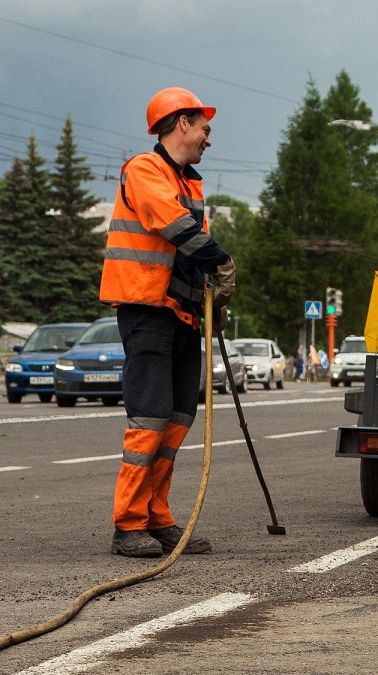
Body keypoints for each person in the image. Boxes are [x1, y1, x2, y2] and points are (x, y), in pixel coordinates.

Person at [100, 87, 236, 558]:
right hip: (148, 311)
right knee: (150, 420)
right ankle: (128, 524)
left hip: (181, 313)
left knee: (177, 420)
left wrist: (212, 299)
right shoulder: (144, 171)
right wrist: (221, 260)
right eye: (204, 128)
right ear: (181, 124)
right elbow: (174, 227)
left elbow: (191, 251)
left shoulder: (189, 183)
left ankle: (158, 518)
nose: (207, 139)